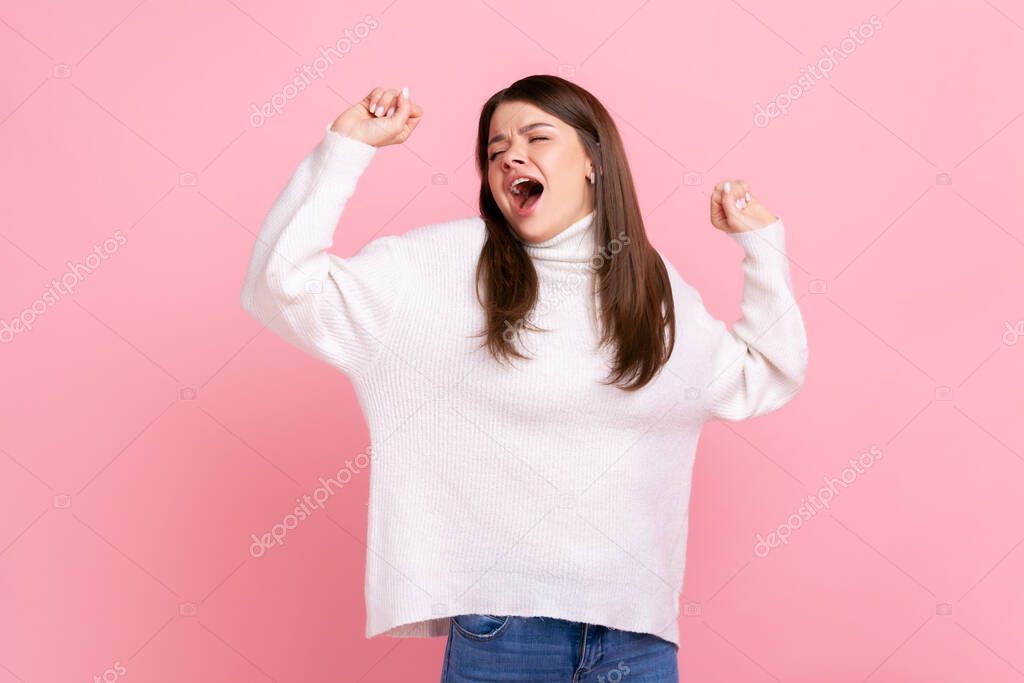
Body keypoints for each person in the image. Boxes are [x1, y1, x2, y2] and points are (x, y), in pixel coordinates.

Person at [240, 74, 809, 683]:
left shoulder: (650, 288)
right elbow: (282, 286)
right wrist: (345, 147)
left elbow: (765, 373)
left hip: (638, 637)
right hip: (506, 633)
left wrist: (762, 248)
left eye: (538, 137)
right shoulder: (441, 268)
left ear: (593, 161)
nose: (511, 155)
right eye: (494, 150)